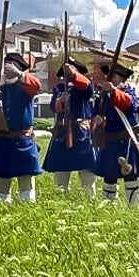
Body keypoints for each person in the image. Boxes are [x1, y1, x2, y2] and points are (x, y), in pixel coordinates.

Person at [0, 52, 43, 202]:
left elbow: (36, 86)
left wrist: (19, 74)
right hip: (2, 140)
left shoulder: (25, 85)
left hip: (23, 139)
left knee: (26, 182)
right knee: (1, 183)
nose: (7, 68)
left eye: (11, 65)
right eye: (6, 64)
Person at [92, 63, 139, 207]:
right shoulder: (102, 95)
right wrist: (98, 119)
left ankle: (135, 209)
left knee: (131, 177)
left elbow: (129, 104)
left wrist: (114, 91)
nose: (109, 78)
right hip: (109, 141)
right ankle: (109, 208)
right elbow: (96, 111)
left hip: (126, 141)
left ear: (122, 78)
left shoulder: (129, 92)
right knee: (109, 178)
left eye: (113, 76)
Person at [42, 59, 97, 198]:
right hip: (62, 132)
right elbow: (53, 107)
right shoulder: (59, 89)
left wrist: (74, 76)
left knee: (87, 175)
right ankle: (61, 198)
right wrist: (61, 101)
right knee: (60, 173)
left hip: (81, 133)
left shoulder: (84, 87)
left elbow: (88, 89)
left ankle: (89, 200)